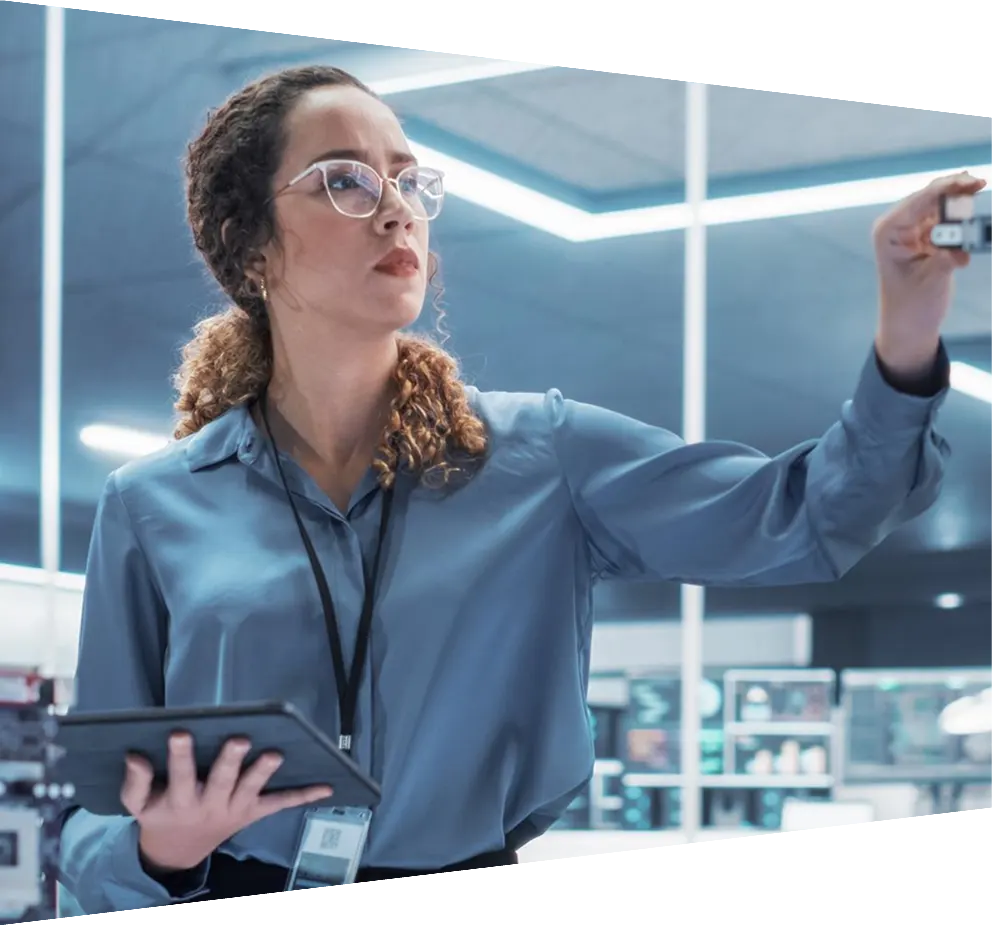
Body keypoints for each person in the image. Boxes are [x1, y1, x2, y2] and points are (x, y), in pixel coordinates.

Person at [56, 63, 980, 916]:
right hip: (237, 903)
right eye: (346, 180)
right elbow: (93, 813)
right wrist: (158, 849)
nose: (397, 211)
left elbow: (807, 518)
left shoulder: (544, 456)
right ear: (250, 245)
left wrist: (907, 333)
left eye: (408, 180)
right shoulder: (153, 505)